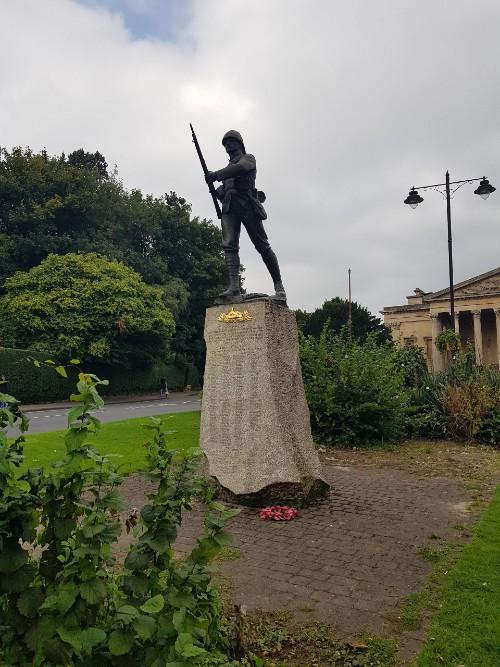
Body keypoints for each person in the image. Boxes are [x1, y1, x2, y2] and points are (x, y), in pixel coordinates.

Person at [205, 130, 286, 303]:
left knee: (262, 246)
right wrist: (217, 191)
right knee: (229, 246)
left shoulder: (248, 158)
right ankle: (234, 288)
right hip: (229, 209)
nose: (228, 144)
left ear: (240, 143)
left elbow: (241, 169)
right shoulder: (228, 168)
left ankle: (279, 287)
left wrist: (216, 175)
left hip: (248, 206)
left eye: (231, 141)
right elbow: (226, 190)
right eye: (225, 142)